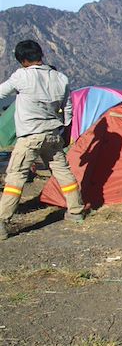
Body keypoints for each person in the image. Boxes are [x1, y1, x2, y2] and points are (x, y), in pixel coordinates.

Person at [0, 40, 85, 240]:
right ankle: (76, 211)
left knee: (16, 177)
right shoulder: (60, 78)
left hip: (30, 136)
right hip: (53, 134)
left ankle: (2, 221)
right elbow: (68, 108)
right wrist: (65, 130)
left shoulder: (22, 76)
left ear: (23, 60)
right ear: (40, 55)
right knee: (63, 173)